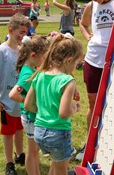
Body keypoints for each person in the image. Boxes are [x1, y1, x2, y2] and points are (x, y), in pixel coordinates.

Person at [76, 0, 114, 161]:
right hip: (94, 61)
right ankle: (91, 142)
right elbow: (83, 24)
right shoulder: (90, 6)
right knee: (94, 105)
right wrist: (88, 37)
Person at [24, 33, 84, 175]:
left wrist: (43, 112)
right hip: (58, 133)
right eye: (76, 64)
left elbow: (27, 105)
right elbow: (63, 113)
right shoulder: (67, 81)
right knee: (61, 170)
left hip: (39, 132)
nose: (75, 67)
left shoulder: (40, 74)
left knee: (56, 165)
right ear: (69, 61)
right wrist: (75, 107)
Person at [0, 14, 31, 175]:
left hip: (20, 101)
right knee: (8, 132)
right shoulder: (0, 52)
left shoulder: (23, 51)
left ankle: (19, 155)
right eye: (20, 32)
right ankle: (9, 163)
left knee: (20, 128)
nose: (22, 36)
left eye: (25, 32)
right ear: (10, 30)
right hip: (6, 102)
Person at [9, 36, 50, 175]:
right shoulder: (27, 74)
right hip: (29, 117)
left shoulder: (31, 68)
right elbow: (13, 94)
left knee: (34, 150)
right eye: (43, 57)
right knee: (32, 151)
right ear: (34, 55)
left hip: (31, 116)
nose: (44, 61)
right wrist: (27, 102)